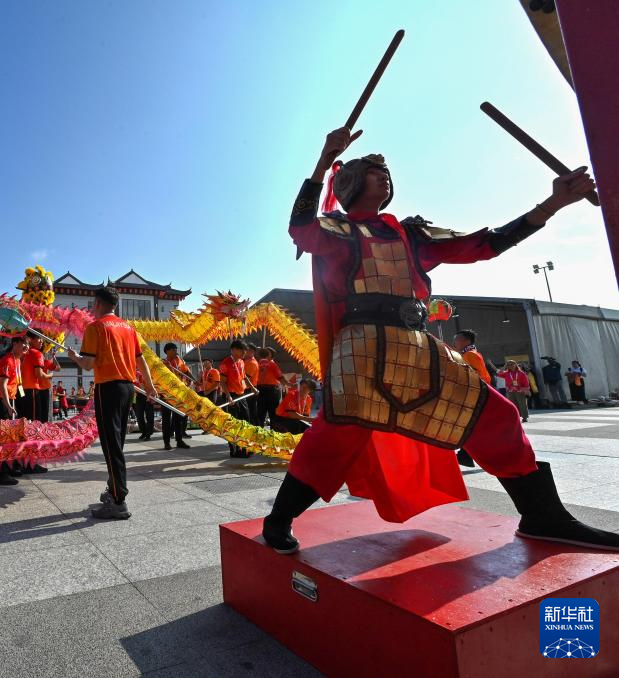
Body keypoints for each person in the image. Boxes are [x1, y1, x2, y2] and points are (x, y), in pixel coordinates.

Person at [262, 125, 619, 554]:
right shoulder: (337, 231)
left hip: (416, 342)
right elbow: (300, 228)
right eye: (373, 172)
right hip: (361, 347)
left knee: (496, 413)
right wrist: (324, 160)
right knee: (339, 433)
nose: (384, 176)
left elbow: (485, 245)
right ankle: (279, 518)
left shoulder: (411, 234)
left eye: (386, 172)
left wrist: (554, 203)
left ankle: (543, 515)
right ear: (351, 182)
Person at [68, 286, 157, 520]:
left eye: (93, 304)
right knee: (117, 443)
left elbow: (88, 364)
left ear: (98, 304)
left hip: (108, 388)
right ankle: (113, 489)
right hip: (128, 389)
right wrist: (149, 386)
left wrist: (74, 358)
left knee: (111, 445)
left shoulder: (95, 327)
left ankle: (118, 500)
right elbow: (141, 361)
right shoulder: (128, 328)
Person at [452, 330, 492, 468]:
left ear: (466, 341)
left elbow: (476, 376)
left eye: (457, 339)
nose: (455, 342)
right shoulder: (470, 353)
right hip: (475, 394)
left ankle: (466, 454)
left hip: (474, 395)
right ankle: (465, 454)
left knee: (469, 425)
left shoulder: (469, 355)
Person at [0, 336, 26, 484]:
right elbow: (2, 385)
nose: (26, 347)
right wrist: (8, 405)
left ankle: (7, 468)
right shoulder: (7, 360)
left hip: (10, 400)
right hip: (0, 401)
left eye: (27, 345)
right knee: (1, 438)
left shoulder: (17, 360)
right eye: (24, 344)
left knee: (10, 437)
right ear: (15, 344)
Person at [16, 335, 51, 473]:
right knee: (34, 427)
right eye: (39, 338)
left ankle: (21, 461)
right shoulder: (36, 353)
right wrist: (50, 376)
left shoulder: (21, 354)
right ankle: (30, 463)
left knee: (23, 426)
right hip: (32, 391)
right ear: (30, 340)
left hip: (21, 391)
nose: (41, 341)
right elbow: (39, 374)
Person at [219, 340, 255, 458]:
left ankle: (244, 447)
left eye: (245, 351)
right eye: (242, 351)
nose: (244, 353)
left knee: (245, 421)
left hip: (241, 395)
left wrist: (252, 387)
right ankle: (234, 450)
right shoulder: (226, 363)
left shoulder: (241, 362)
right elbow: (222, 382)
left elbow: (244, 377)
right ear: (234, 350)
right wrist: (228, 396)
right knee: (233, 424)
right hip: (231, 396)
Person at [160, 343, 192, 450]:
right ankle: (166, 442)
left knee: (178, 418)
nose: (175, 352)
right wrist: (170, 368)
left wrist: (193, 380)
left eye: (176, 349)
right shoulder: (163, 363)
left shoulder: (179, 360)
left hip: (178, 393)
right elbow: (171, 377)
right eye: (173, 350)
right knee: (166, 419)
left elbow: (186, 371)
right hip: (167, 394)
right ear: (167, 351)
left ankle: (179, 440)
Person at [255, 348, 285, 430]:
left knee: (261, 412)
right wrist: (287, 384)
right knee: (272, 413)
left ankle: (260, 431)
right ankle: (272, 431)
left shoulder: (258, 363)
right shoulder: (271, 364)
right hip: (271, 390)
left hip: (262, 389)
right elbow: (280, 377)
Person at [132, 367, 155, 440]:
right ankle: (144, 432)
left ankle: (148, 433)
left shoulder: (148, 372)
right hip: (139, 396)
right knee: (139, 416)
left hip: (148, 394)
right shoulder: (134, 373)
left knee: (149, 416)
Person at [243, 344, 261, 425]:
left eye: (247, 350)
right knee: (249, 411)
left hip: (250, 389)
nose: (245, 351)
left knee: (250, 411)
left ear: (252, 351)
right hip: (247, 388)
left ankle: (256, 427)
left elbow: (245, 378)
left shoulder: (252, 363)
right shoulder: (245, 361)